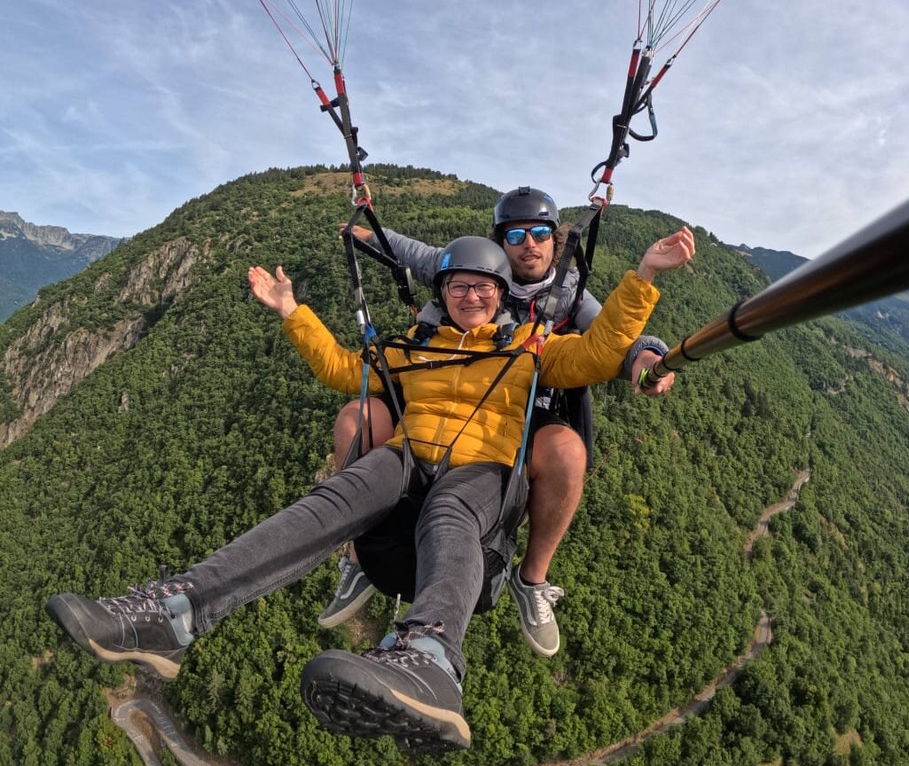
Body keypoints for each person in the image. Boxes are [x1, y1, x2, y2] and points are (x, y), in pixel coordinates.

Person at [46, 228, 695, 753]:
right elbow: (341, 371)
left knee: (450, 512)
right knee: (337, 494)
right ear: (444, 292)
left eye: (483, 286)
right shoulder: (415, 349)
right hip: (408, 455)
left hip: (484, 471)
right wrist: (292, 312)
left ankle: (432, 657)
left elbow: (603, 353)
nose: (470, 295)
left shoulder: (531, 350)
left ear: (501, 296)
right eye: (458, 285)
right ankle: (178, 610)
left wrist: (644, 276)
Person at [258, 186, 676, 658]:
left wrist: (648, 354)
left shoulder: (567, 291)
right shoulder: (472, 270)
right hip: (440, 389)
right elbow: (415, 256)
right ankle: (359, 555)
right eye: (516, 235)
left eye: (540, 233)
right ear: (498, 246)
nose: (529, 244)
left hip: (522, 407)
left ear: (554, 241)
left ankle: (531, 579)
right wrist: (368, 234)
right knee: (356, 416)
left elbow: (608, 344)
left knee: (566, 452)